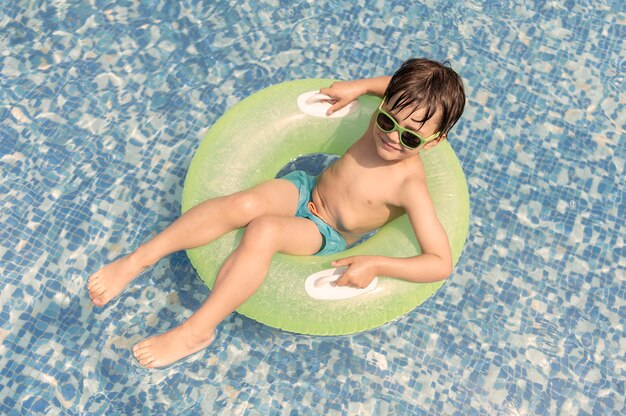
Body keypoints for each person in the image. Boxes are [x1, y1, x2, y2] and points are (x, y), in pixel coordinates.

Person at [87, 58, 466, 368]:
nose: (392, 137)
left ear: (434, 142)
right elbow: (398, 90)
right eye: (386, 120)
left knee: (265, 229)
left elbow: (439, 263)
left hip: (325, 232)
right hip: (306, 188)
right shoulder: (396, 115)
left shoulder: (409, 186)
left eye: (411, 137)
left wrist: (378, 264)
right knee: (243, 205)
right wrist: (361, 86)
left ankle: (198, 331)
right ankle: (138, 260)